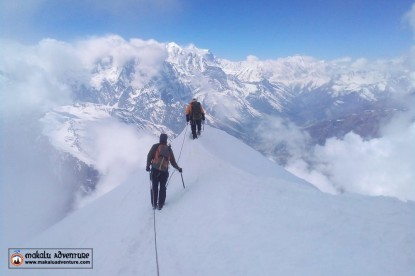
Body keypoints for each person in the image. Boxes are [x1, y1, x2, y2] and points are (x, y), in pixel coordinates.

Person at [146, 133, 182, 210]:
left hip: (154, 170)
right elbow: (173, 162)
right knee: (162, 188)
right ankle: (161, 205)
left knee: (154, 187)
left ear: (160, 139)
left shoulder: (155, 146)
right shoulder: (169, 149)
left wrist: (148, 166)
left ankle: (154, 204)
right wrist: (178, 168)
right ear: (166, 140)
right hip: (164, 172)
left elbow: (149, 156)